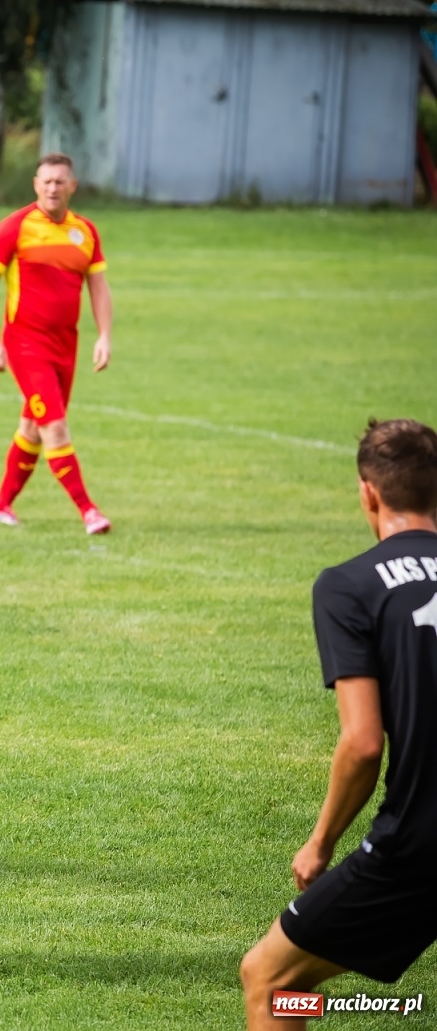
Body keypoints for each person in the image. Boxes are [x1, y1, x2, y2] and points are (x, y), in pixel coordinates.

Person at [239, 419, 437, 1028]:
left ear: (368, 494)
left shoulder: (349, 586)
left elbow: (361, 742)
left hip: (422, 841)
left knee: (270, 980)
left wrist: (320, 842)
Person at [0, 152, 114, 535]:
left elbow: (99, 288)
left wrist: (104, 335)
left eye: (60, 181)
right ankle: (89, 511)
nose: (53, 188)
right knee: (54, 426)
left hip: (65, 346)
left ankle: (1, 505)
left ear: (73, 186)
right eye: (46, 181)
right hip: (25, 344)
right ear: (35, 184)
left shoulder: (85, 231)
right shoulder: (15, 227)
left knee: (34, 425)